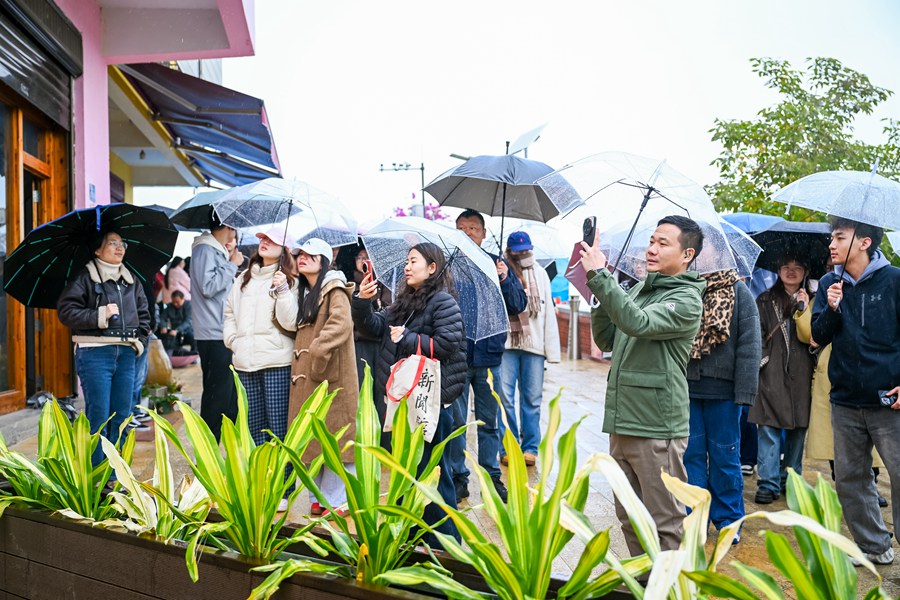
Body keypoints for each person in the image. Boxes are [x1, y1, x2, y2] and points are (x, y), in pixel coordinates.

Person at [582, 215, 706, 555]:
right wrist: (600, 293)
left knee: (665, 521)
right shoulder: (639, 288)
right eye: (651, 241)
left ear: (687, 255)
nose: (651, 249)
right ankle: (645, 584)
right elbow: (607, 339)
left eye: (663, 243)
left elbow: (637, 322)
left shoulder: (687, 299)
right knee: (630, 518)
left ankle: (675, 589)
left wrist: (600, 276)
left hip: (657, 426)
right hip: (623, 420)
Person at [353, 242, 466, 543]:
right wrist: (363, 302)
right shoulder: (405, 301)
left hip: (428, 401)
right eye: (406, 261)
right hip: (406, 400)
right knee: (408, 472)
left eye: (413, 261)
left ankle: (448, 545)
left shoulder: (444, 302)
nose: (406, 266)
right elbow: (375, 327)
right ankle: (410, 539)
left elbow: (446, 345)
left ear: (432, 267)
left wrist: (407, 338)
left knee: (431, 474)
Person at [812, 217, 900, 566]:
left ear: (864, 242)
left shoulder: (894, 281)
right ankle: (873, 546)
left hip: (890, 400)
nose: (831, 245)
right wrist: (832, 308)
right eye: (831, 238)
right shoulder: (829, 283)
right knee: (850, 478)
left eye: (838, 237)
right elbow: (819, 335)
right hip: (845, 399)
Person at [448, 209, 527, 504]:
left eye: (473, 228)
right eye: (461, 228)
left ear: (483, 232)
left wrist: (505, 279)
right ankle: (458, 478)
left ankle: (491, 477)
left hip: (490, 357)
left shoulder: (496, 263)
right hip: (454, 355)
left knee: (490, 422)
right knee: (456, 422)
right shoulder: (447, 264)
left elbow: (518, 304)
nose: (468, 233)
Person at [57, 231, 151, 465]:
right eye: (112, 244)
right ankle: (97, 476)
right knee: (99, 415)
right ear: (97, 250)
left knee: (121, 415)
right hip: (95, 354)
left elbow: (144, 315)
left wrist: (137, 341)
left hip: (126, 354)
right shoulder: (85, 278)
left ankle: (116, 474)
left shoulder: (131, 280)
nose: (120, 248)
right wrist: (100, 314)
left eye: (122, 243)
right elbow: (66, 311)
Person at [223, 228, 297, 512]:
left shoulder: (291, 280)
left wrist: (282, 290)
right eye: (262, 239)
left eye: (273, 240)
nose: (264, 243)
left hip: (277, 362)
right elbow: (229, 313)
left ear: (284, 248)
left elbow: (291, 323)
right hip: (244, 362)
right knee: (254, 429)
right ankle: (261, 483)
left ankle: (283, 488)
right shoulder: (243, 278)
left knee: (278, 429)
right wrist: (232, 340)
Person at [684, 269, 761, 541]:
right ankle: (694, 518)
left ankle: (729, 521)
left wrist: (746, 392)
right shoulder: (684, 287)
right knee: (690, 456)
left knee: (726, 457)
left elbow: (750, 346)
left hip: (725, 393)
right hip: (687, 388)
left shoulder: (739, 292)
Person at [289, 238, 359, 515]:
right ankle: (320, 498)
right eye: (300, 254)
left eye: (310, 254)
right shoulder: (308, 290)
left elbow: (341, 323)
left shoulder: (334, 287)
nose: (302, 258)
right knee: (314, 438)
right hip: (313, 378)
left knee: (336, 439)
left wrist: (317, 352)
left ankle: (337, 500)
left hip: (332, 378)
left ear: (324, 259)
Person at [749, 257, 815, 505]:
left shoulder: (814, 301)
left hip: (803, 374)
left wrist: (804, 309)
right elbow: (755, 335)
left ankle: (792, 479)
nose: (791, 271)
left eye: (797, 267)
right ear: (778, 270)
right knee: (768, 427)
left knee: (799, 429)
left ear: (806, 271)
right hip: (771, 373)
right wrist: (764, 360)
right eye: (786, 266)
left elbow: (818, 334)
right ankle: (767, 482)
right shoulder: (764, 299)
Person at [499, 231, 561, 466]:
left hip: (534, 345)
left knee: (532, 399)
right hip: (507, 343)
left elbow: (548, 316)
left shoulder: (541, 274)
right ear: (509, 249)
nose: (523, 253)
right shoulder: (501, 270)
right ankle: (509, 446)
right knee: (505, 398)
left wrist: (551, 351)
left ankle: (530, 448)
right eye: (518, 249)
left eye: (526, 248)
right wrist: (504, 278)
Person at [191, 220, 244, 441]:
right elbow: (208, 287)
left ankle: (226, 449)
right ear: (228, 227)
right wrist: (232, 264)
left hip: (222, 332)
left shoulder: (216, 251)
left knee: (230, 398)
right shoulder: (205, 248)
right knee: (217, 396)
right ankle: (208, 450)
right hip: (213, 333)